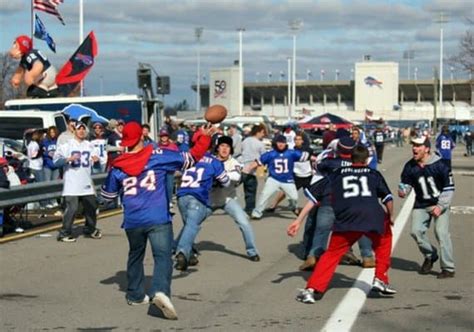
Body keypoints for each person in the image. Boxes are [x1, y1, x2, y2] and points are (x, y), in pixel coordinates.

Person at [101, 121, 214, 319]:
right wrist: (204, 137)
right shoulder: (157, 156)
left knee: (135, 254)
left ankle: (135, 294)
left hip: (133, 219)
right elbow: (191, 158)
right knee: (162, 256)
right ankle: (160, 291)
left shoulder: (117, 165)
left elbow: (108, 197)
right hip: (157, 216)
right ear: (142, 137)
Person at [287, 145, 396, 303]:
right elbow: (388, 199)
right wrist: (390, 216)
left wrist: (298, 220)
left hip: (347, 218)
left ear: (350, 159)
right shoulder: (374, 174)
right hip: (372, 215)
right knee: (384, 243)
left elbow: (313, 198)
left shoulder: (336, 174)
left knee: (332, 254)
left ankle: (311, 289)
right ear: (367, 160)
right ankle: (380, 278)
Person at [399, 136, 455, 279]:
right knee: (415, 231)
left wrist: (441, 206)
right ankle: (430, 255)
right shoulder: (410, 166)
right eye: (414, 145)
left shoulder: (440, 165)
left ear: (427, 149)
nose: (414, 148)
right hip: (421, 203)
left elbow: (449, 188)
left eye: (418, 146)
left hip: (438, 203)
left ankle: (448, 267)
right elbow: (406, 183)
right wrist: (403, 190)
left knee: (441, 233)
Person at [174, 151, 230, 271]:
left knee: (188, 225)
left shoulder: (188, 156)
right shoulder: (214, 162)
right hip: (197, 196)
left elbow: (176, 171)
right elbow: (226, 182)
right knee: (192, 226)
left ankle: (190, 255)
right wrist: (215, 181)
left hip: (181, 196)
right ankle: (182, 253)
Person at [209, 136, 260, 262]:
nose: (225, 149)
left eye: (227, 146)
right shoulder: (210, 161)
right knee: (192, 223)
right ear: (217, 148)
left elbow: (236, 176)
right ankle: (182, 249)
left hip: (228, 199)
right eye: (222, 146)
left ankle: (252, 251)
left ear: (231, 149)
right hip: (209, 200)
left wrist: (218, 175)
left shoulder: (234, 163)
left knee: (244, 223)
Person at [53, 121, 101, 242]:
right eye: (79, 129)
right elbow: (56, 161)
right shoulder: (67, 145)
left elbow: (96, 164)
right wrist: (68, 159)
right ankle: (64, 232)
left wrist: (96, 160)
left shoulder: (89, 145)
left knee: (91, 207)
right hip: (72, 183)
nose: (81, 131)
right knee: (72, 208)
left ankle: (90, 229)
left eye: (83, 129)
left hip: (86, 182)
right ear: (74, 131)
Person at [250, 134, 311, 220]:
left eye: (282, 142)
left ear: (286, 143)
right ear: (275, 143)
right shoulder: (270, 154)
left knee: (294, 197)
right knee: (264, 195)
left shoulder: (291, 153)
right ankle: (256, 213)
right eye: (279, 142)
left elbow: (307, 157)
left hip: (287, 179)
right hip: (273, 179)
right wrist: (247, 169)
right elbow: (257, 162)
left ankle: (293, 207)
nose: (281, 144)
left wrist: (319, 158)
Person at [240, 124, 267, 215]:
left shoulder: (245, 141)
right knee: (251, 190)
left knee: (246, 189)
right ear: (258, 132)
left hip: (243, 167)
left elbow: (241, 151)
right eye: (263, 133)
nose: (263, 135)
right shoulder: (259, 144)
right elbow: (264, 156)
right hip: (253, 168)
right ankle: (250, 209)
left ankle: (248, 207)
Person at [42, 126, 60, 208]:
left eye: (54, 132)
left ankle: (53, 200)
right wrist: (47, 153)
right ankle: (47, 202)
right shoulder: (45, 141)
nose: (52, 134)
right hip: (47, 165)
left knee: (54, 184)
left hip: (56, 165)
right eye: (51, 132)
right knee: (47, 184)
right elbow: (42, 151)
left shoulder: (58, 141)